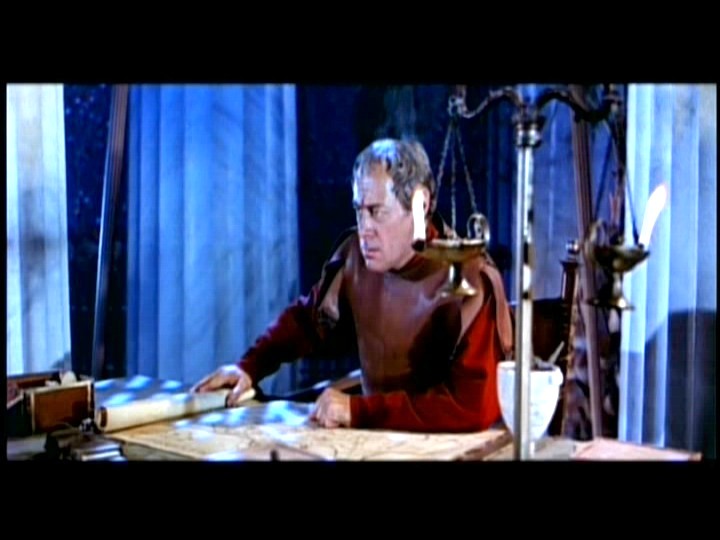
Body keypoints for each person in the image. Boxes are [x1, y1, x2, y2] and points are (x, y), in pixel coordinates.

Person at [192, 138, 513, 432]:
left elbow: (472, 408)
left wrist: (359, 411)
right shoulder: (354, 257)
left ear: (421, 205)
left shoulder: (471, 278)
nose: (364, 229)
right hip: (374, 440)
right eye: (359, 211)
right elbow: (306, 321)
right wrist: (249, 367)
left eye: (376, 212)